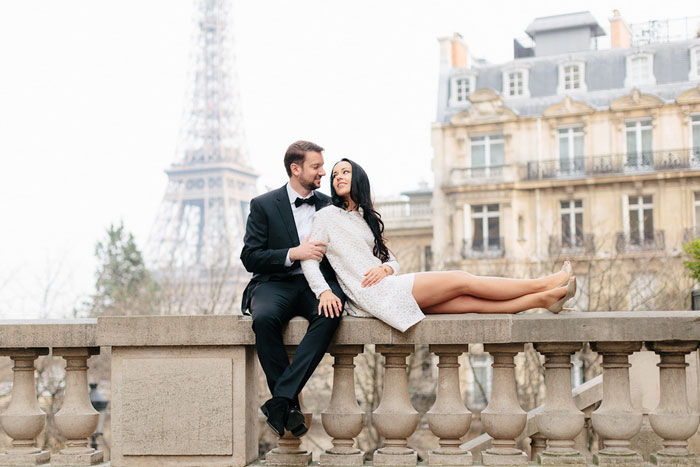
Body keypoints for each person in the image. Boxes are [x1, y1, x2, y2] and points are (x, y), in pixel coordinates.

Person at [301, 158, 576, 332]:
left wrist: (385, 270)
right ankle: (545, 283)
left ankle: (544, 299)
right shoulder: (325, 217)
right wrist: (323, 292)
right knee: (462, 279)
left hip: (385, 286)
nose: (338, 176)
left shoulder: (366, 219)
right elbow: (309, 259)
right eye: (335, 174)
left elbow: (393, 262)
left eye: (345, 171)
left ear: (358, 177)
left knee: (472, 304)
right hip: (375, 295)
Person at [240, 141, 345, 438]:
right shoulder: (263, 205)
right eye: (316, 166)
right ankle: (288, 404)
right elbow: (250, 257)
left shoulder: (329, 205)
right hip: (275, 282)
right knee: (263, 320)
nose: (323, 172)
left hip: (317, 285)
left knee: (331, 314)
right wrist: (293, 253)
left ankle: (281, 401)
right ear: (295, 169)